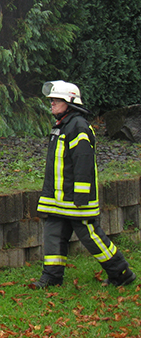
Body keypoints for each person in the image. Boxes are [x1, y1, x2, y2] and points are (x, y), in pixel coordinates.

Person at [32, 80, 136, 289]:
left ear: (70, 102)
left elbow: (83, 163)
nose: (52, 103)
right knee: (53, 234)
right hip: (58, 199)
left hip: (75, 199)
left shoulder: (78, 127)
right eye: (51, 100)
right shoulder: (62, 126)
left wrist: (81, 195)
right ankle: (51, 277)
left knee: (90, 236)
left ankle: (121, 272)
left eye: (56, 100)